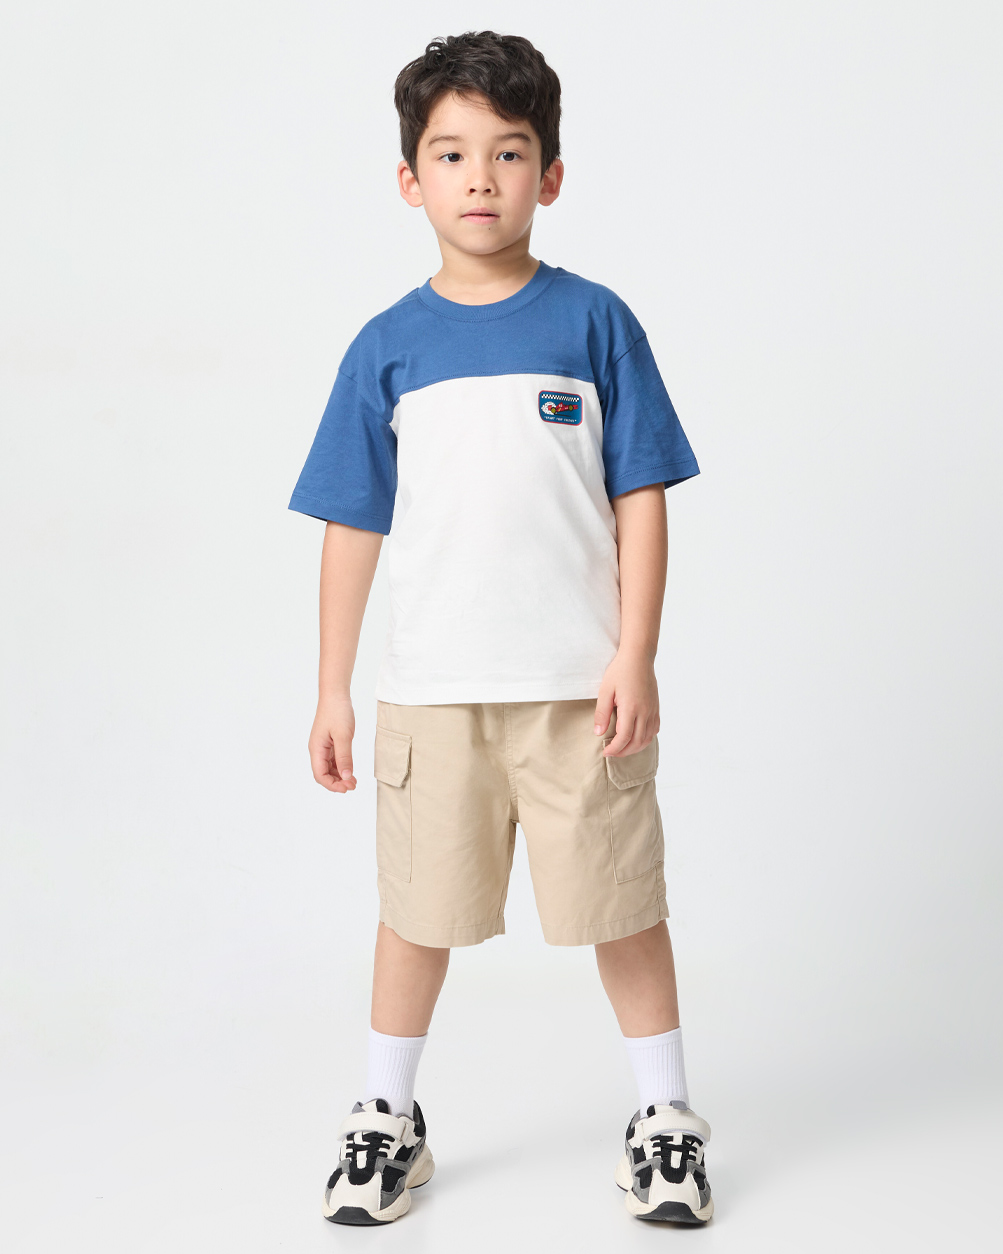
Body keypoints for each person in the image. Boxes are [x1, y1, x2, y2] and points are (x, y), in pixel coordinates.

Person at [288, 30, 713, 1227]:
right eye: (452, 153)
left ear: (551, 175)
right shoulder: (387, 348)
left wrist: (633, 653)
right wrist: (332, 688)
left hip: (581, 697)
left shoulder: (596, 324)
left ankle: (665, 1118)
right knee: (415, 913)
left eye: (510, 152)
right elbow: (352, 524)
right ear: (410, 179)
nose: (481, 177)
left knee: (622, 905)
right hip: (432, 695)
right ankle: (386, 1116)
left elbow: (641, 496)